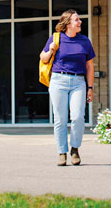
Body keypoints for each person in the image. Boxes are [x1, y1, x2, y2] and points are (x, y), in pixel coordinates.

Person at [40, 9, 96, 166]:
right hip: (58, 80)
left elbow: (89, 66)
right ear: (68, 24)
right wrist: (51, 49)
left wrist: (90, 87)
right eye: (77, 20)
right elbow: (43, 59)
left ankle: (75, 149)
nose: (80, 22)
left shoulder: (85, 41)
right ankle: (62, 152)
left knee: (78, 117)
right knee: (60, 119)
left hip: (78, 82)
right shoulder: (56, 38)